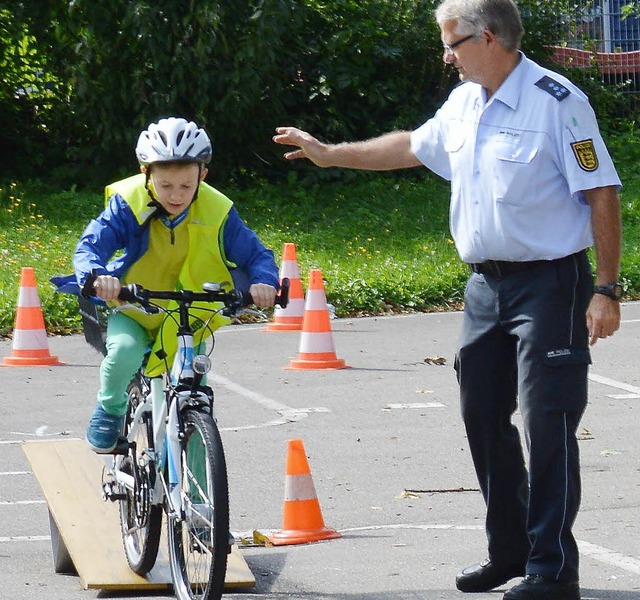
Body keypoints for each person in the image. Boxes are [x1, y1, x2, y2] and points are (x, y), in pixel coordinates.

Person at [272, 1, 622, 598]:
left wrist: (606, 290)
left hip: (550, 284)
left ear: (487, 37)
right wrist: (332, 153)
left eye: (451, 42)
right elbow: (411, 146)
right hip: (486, 286)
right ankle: (509, 553)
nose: (445, 55)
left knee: (549, 421)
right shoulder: (465, 102)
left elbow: (601, 193)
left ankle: (553, 568)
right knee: (482, 416)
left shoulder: (558, 104)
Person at [54, 117, 279, 454]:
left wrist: (264, 282)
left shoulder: (218, 211)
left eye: (186, 186)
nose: (176, 195)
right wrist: (96, 276)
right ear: (146, 173)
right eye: (165, 185)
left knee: (196, 394)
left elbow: (256, 254)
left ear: (202, 176)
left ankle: (198, 472)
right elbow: (91, 246)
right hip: (135, 306)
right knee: (123, 354)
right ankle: (111, 408)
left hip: (190, 312)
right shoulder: (128, 204)